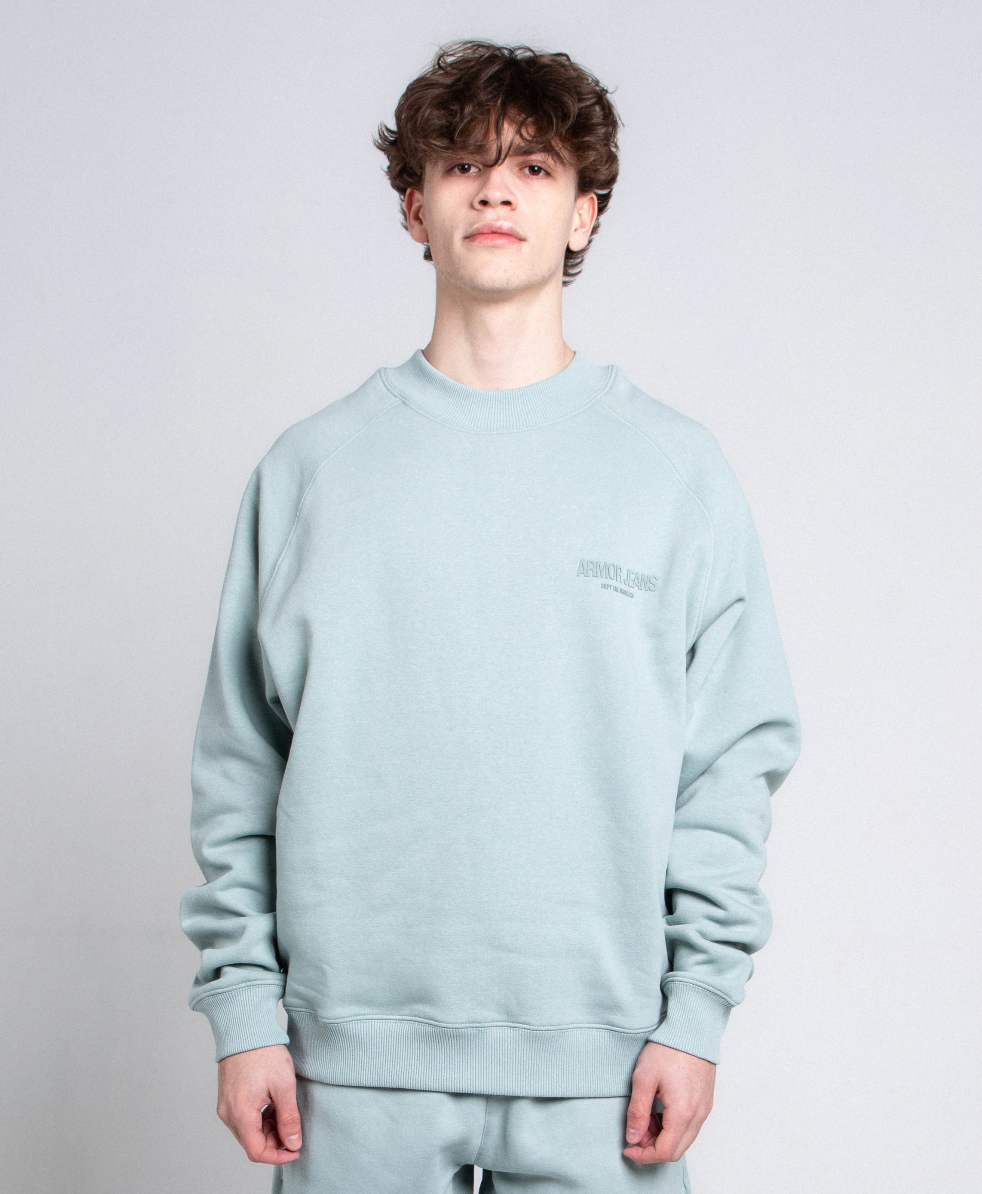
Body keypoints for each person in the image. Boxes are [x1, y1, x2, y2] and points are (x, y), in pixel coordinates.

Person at [179, 39, 802, 1193]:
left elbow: (726, 763)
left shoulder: (674, 471)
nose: (495, 190)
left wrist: (696, 1013)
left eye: (534, 167)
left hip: (604, 1065)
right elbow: (239, 763)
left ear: (584, 213)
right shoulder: (311, 470)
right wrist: (244, 1012)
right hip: (344, 1063)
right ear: (414, 207)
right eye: (461, 164)